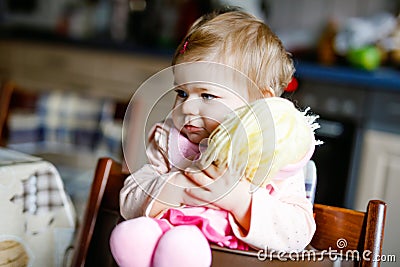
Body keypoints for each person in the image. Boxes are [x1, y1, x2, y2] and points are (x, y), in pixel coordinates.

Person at [109, 8, 317, 267]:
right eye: (182, 93)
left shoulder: (275, 157)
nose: (186, 108)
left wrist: (241, 202)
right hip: (164, 253)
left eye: (207, 95)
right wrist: (178, 190)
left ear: (260, 102)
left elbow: (298, 233)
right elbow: (129, 199)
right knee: (132, 237)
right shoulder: (171, 142)